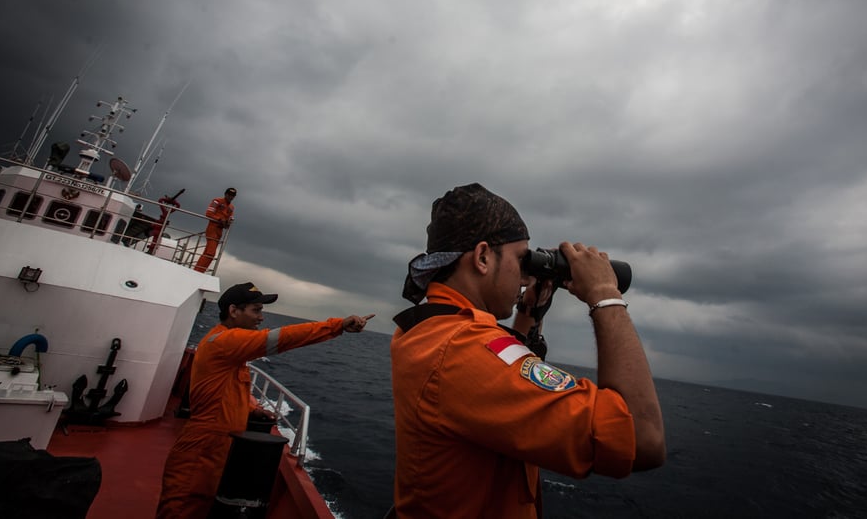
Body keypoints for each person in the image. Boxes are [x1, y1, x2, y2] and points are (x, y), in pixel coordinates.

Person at [390, 183, 665, 518]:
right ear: (482, 257)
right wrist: (605, 294)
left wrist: (529, 315)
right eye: (522, 260)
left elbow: (499, 372)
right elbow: (642, 437)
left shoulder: (429, 328)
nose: (525, 278)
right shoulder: (461, 350)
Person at [156, 282, 374, 518]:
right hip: (203, 448)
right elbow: (283, 338)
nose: (261, 317)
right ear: (233, 311)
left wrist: (251, 409)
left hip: (219, 445)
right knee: (182, 508)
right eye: (256, 310)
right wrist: (337, 325)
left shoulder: (228, 347)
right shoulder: (224, 342)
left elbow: (227, 388)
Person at [194, 187, 236, 272]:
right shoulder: (217, 201)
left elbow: (230, 219)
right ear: (225, 194)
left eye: (232, 195)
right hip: (212, 228)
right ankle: (199, 271)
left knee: (207, 252)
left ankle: (197, 270)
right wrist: (220, 219)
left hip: (219, 231)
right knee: (210, 253)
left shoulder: (231, 207)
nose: (230, 197)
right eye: (229, 195)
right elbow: (208, 213)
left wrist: (228, 222)